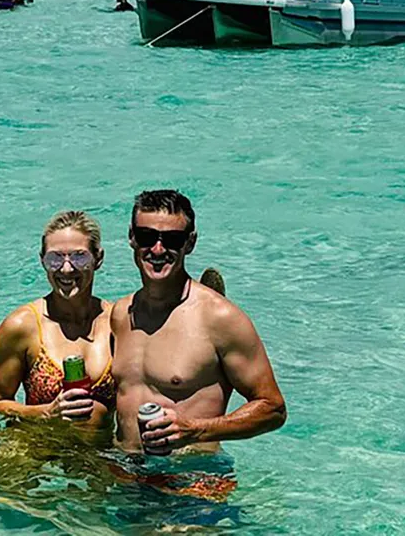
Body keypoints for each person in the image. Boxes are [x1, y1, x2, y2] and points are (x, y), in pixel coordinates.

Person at [111, 190, 286, 455]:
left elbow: (273, 409)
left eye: (172, 240)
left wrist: (195, 430)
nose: (157, 249)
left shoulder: (220, 318)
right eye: (146, 237)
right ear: (131, 238)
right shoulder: (121, 313)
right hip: (125, 475)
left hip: (192, 480)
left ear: (190, 243)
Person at [0, 211, 116, 433]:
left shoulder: (118, 322)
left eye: (79, 257)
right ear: (42, 261)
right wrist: (45, 412)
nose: (66, 269)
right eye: (55, 259)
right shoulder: (22, 326)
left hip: (102, 454)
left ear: (99, 259)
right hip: (40, 452)